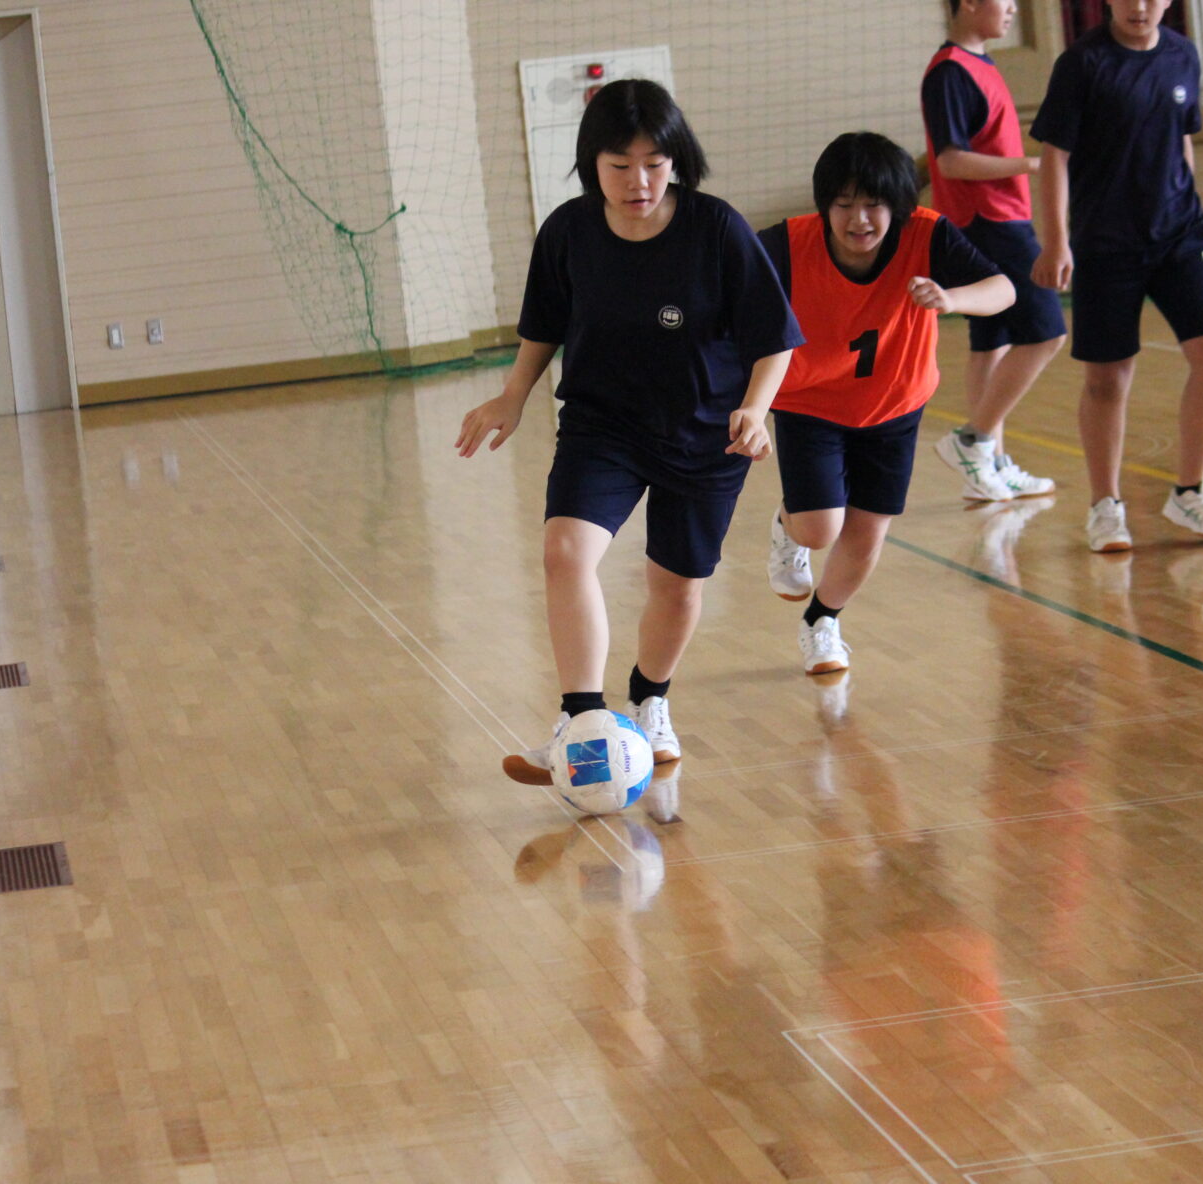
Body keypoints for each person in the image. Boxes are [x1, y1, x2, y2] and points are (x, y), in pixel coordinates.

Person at [456, 79, 801, 785]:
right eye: (620, 165)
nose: (639, 180)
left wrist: (757, 410)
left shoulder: (717, 229)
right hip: (601, 423)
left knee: (675, 587)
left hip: (707, 431)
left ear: (677, 159)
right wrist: (512, 396)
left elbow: (776, 339)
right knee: (564, 551)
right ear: (592, 164)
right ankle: (581, 720)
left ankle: (648, 701)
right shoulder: (568, 232)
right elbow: (544, 327)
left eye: (654, 162)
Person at [759, 133, 1012, 675]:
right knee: (819, 528)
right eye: (843, 205)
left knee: (868, 530)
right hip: (811, 400)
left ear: (897, 207)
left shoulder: (927, 233)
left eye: (873, 205)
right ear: (824, 206)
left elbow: (1003, 289)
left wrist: (952, 299)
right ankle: (788, 526)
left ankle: (822, 622)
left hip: (895, 405)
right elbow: (724, 283)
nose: (859, 220)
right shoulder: (787, 244)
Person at [1030, 0, 1203, 552]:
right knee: (1108, 379)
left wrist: (1186, 204)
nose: (1140, 6)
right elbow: (1054, 158)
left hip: (1181, 236)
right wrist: (1056, 242)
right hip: (1106, 244)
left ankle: (1191, 491)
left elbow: (1182, 139)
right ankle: (1106, 507)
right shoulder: (1082, 64)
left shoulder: (1183, 56)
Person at [922, 0, 1068, 503]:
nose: (1010, 9)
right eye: (1002, 0)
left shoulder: (981, 63)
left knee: (992, 342)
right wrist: (1029, 165)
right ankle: (973, 440)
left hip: (995, 218)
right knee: (1047, 332)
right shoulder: (949, 73)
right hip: (987, 222)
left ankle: (991, 465)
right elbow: (952, 161)